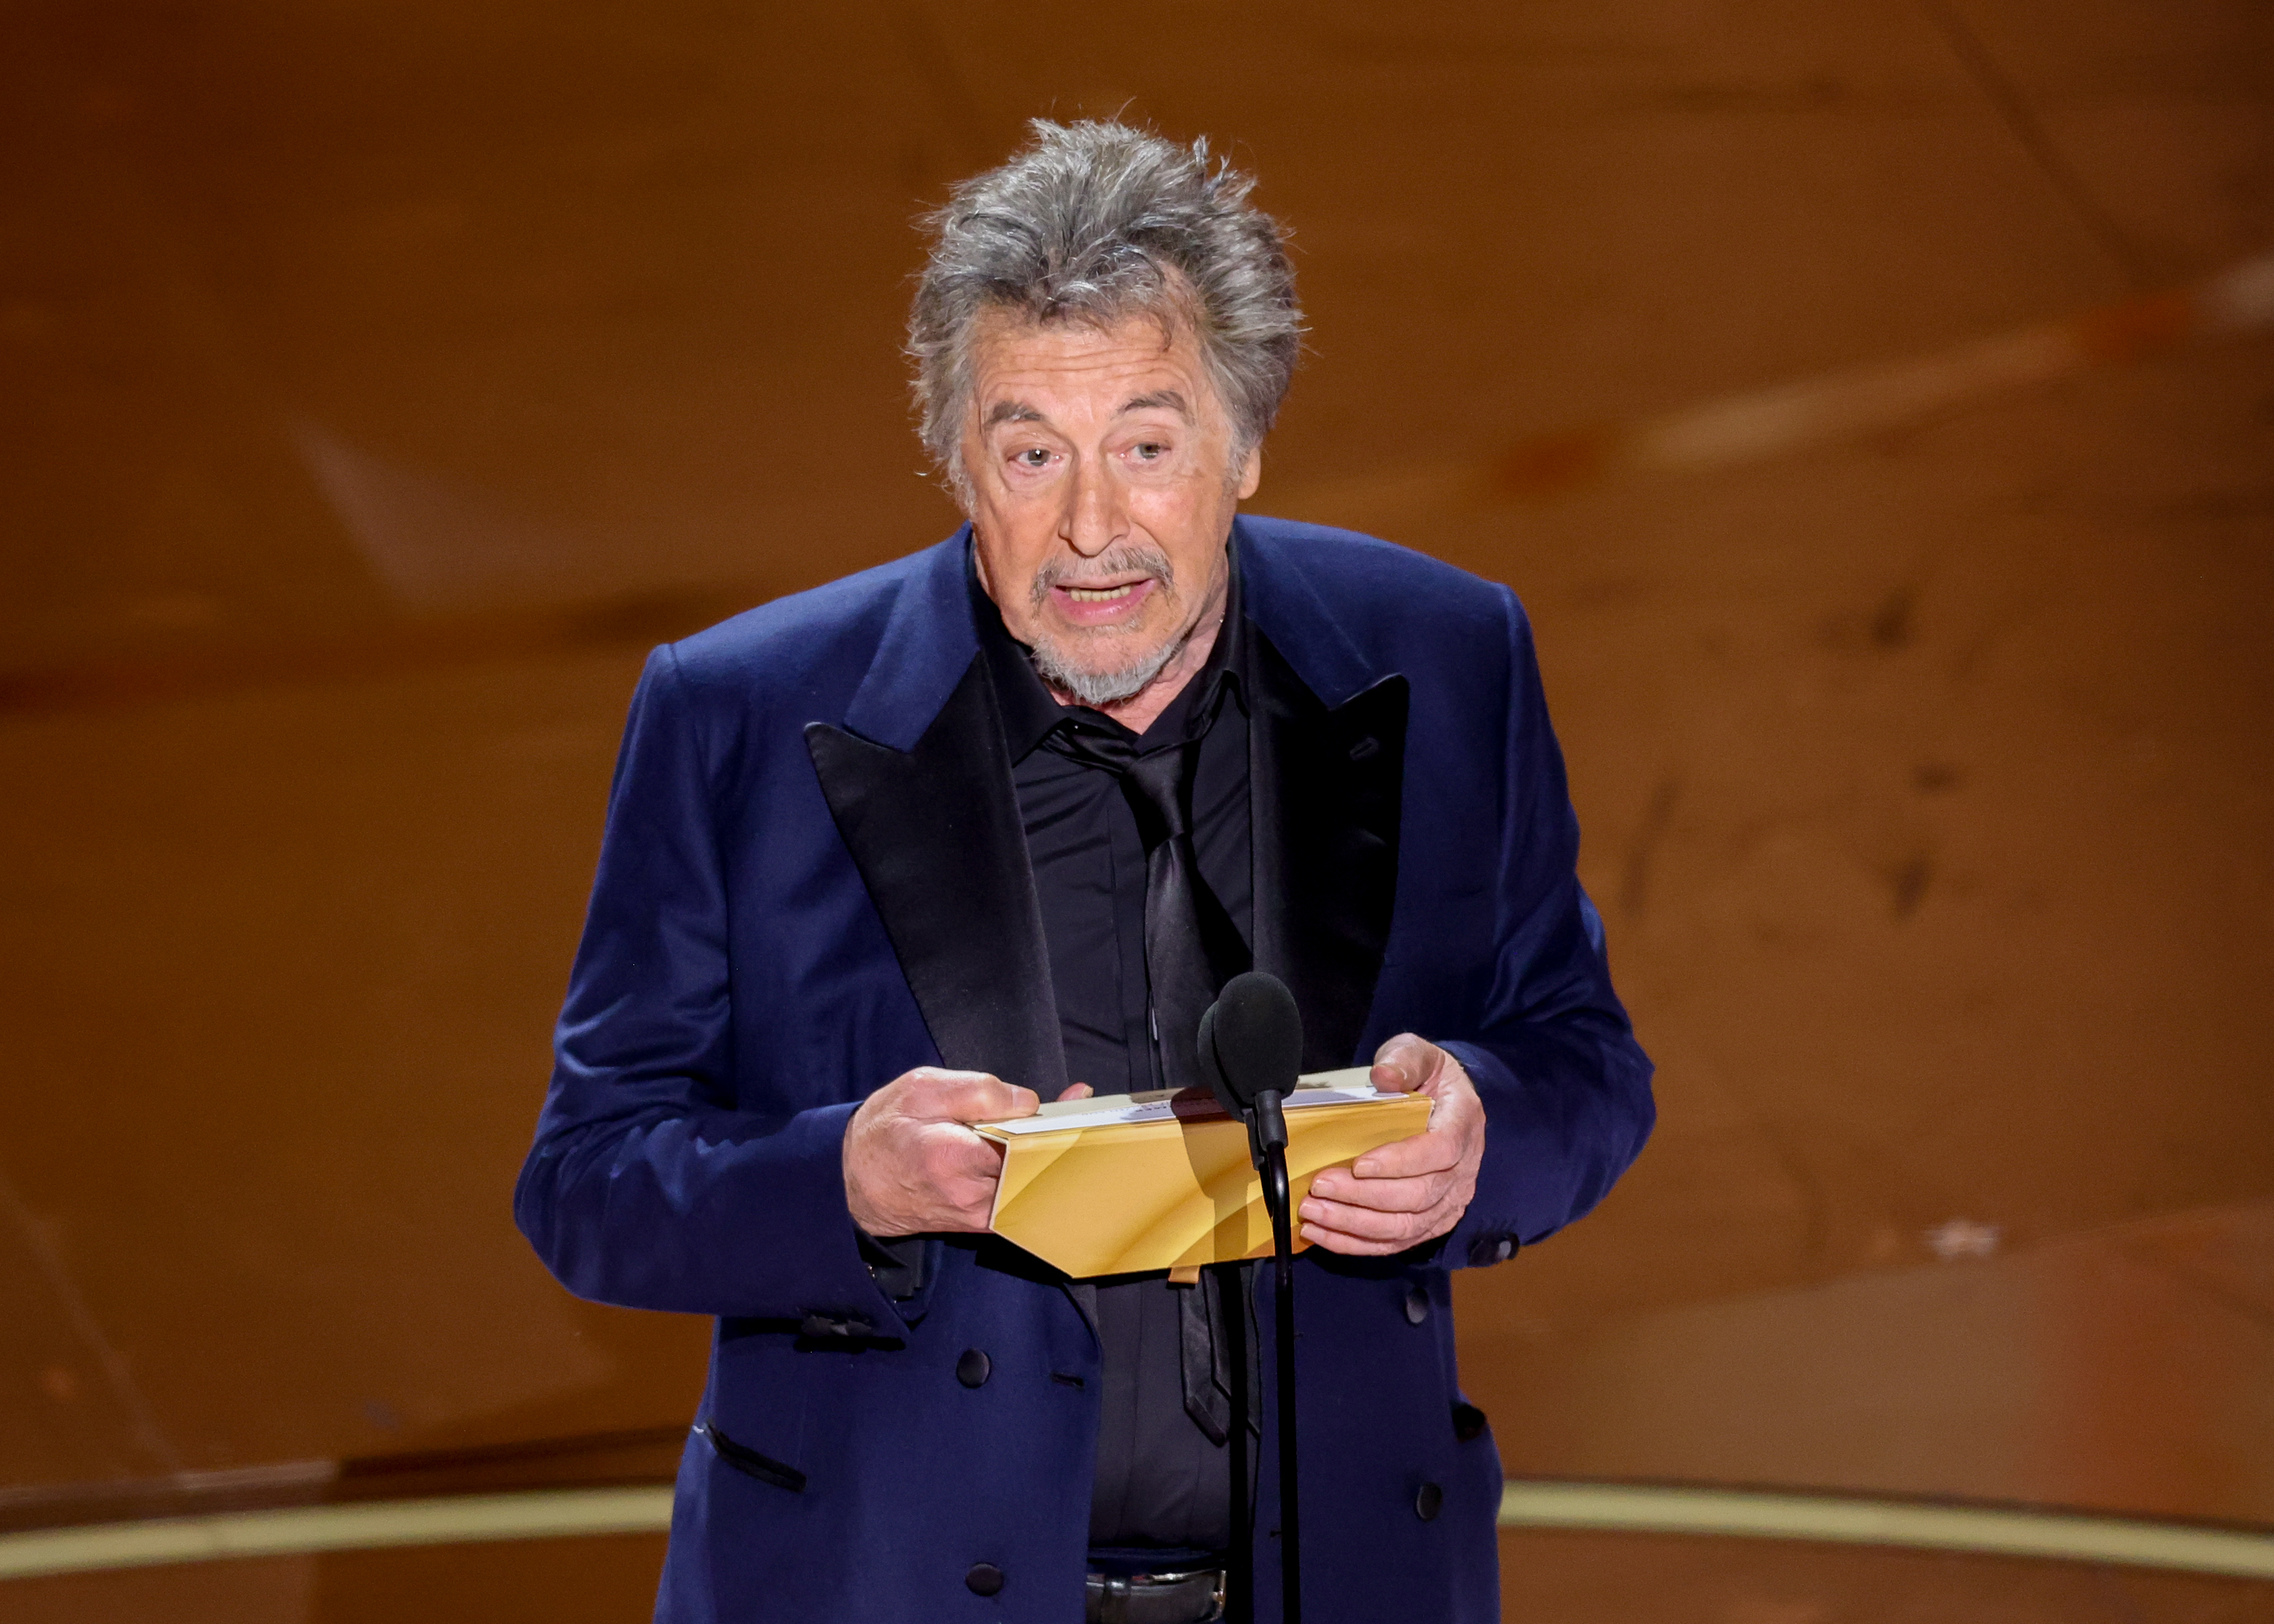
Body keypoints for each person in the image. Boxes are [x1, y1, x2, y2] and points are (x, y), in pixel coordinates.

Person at [515, 119, 1653, 1624]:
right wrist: (840, 1180)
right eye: (1030, 450)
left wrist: (1479, 1137)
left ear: (1245, 446)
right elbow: (589, 1178)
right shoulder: (737, 718)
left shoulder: (1445, 657)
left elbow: (1587, 1062)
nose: (1093, 526)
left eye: (1149, 442)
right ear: (951, 455)